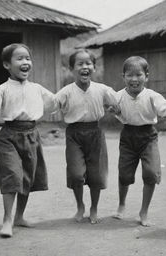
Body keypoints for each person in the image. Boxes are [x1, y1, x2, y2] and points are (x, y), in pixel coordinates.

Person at [0, 43, 57, 238]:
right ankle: (7, 220)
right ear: (7, 65)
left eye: (27, 58)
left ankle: (19, 217)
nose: (25, 62)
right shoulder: (3, 89)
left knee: (26, 178)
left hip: (31, 134)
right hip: (9, 136)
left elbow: (58, 101)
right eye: (19, 58)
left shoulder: (37, 88)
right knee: (12, 176)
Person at [112, 56, 166, 226]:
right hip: (128, 136)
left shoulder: (152, 96)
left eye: (139, 75)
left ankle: (143, 212)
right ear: (123, 77)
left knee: (151, 173)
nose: (134, 79)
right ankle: (121, 204)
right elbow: (107, 105)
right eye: (129, 75)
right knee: (124, 174)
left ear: (147, 76)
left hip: (148, 137)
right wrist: (110, 108)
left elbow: (164, 106)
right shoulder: (118, 96)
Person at [55, 49, 118, 224]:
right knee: (76, 174)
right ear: (71, 69)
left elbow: (119, 101)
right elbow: (51, 104)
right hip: (74, 134)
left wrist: (116, 108)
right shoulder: (66, 92)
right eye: (80, 64)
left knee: (96, 175)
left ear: (94, 68)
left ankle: (94, 208)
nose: (85, 67)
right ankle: (80, 206)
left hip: (95, 133)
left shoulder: (102, 89)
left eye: (88, 63)